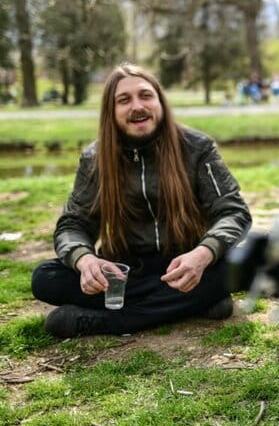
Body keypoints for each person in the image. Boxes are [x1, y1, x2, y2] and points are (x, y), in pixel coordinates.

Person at [31, 63, 252, 338]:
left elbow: (234, 213)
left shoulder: (198, 147)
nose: (137, 106)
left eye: (145, 95)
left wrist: (202, 254)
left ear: (160, 101)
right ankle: (192, 303)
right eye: (124, 100)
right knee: (44, 277)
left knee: (248, 260)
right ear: (111, 112)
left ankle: (116, 321)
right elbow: (73, 224)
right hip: (126, 273)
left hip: (189, 266)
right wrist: (85, 260)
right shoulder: (95, 158)